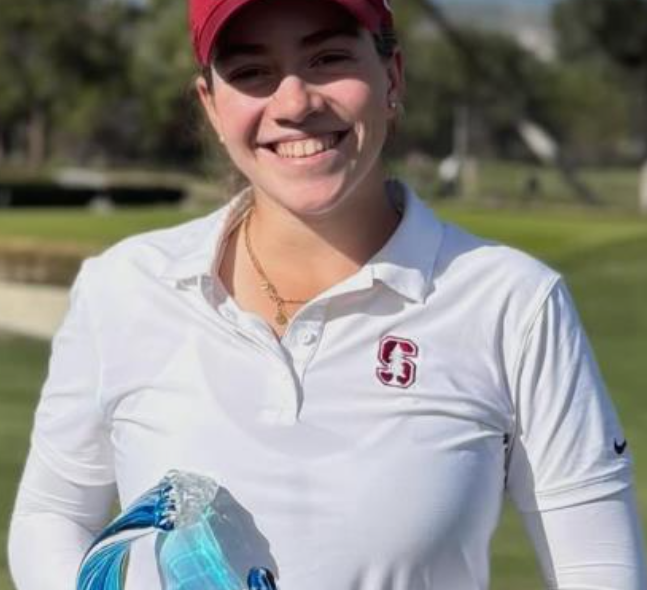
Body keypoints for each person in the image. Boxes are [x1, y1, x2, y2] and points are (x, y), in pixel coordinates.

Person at [7, 0, 647, 588]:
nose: (293, 101)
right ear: (211, 105)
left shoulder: (514, 304)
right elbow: (52, 515)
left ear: (392, 76)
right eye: (252, 72)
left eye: (328, 58)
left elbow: (599, 570)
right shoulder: (121, 288)